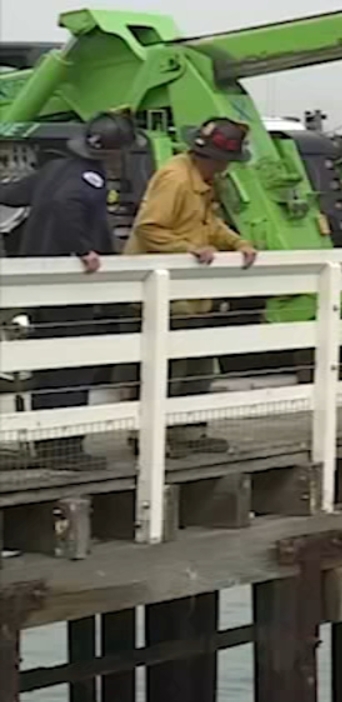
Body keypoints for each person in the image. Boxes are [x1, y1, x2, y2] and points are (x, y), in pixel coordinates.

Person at [0, 112, 137, 470]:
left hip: (40, 285)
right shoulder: (89, 178)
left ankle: (47, 440)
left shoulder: (53, 169)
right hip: (71, 288)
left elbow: (12, 195)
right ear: (114, 151)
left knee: (49, 363)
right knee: (74, 365)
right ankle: (65, 446)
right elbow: (66, 205)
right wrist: (83, 248)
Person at [125, 116, 259, 457]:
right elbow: (149, 228)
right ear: (218, 158)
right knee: (165, 367)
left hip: (188, 292)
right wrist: (189, 249)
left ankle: (186, 432)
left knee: (196, 362)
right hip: (164, 292)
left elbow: (208, 223)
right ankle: (151, 437)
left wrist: (237, 242)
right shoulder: (176, 179)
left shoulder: (199, 178)